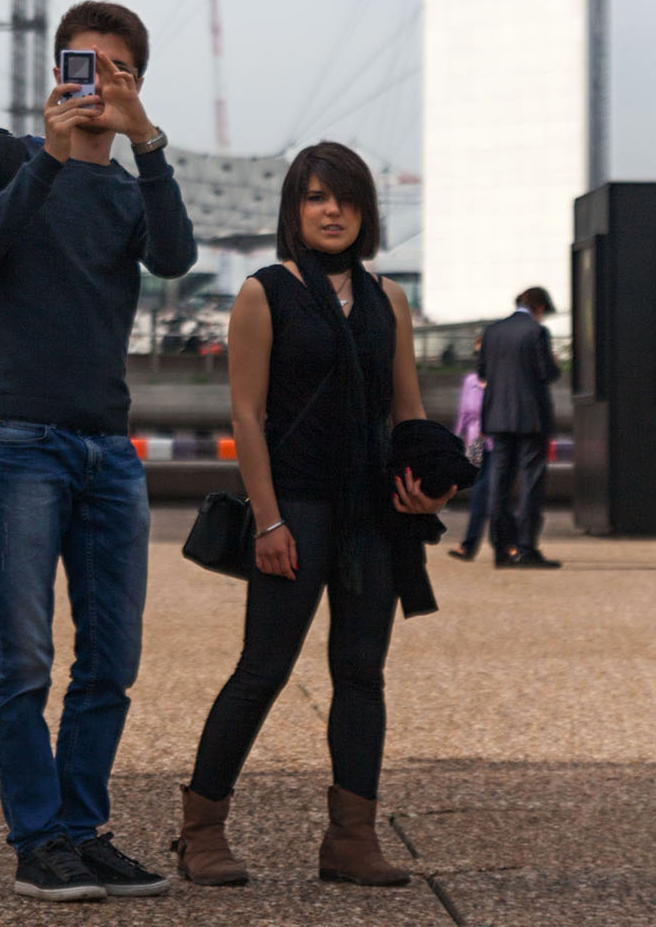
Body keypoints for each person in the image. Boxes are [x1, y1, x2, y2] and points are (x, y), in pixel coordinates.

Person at [0, 0, 196, 903]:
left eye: (114, 71)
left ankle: (81, 831)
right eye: (79, 66)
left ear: (132, 83)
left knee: (112, 661)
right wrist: (50, 159)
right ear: (55, 72)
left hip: (107, 446)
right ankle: (36, 839)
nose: (93, 85)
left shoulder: (131, 190)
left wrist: (149, 144)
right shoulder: (0, 155)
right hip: (16, 438)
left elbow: (175, 258)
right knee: (22, 658)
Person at [175, 142, 454, 890]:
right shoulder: (264, 293)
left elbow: (409, 411)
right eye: (317, 197)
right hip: (293, 505)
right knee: (262, 670)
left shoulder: (388, 300)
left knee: (361, 673)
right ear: (294, 210)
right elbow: (248, 413)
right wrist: (267, 522)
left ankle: (351, 841)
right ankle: (200, 834)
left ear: (364, 213)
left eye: (347, 199)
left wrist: (431, 485)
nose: (332, 211)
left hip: (372, 515)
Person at [479, 286, 561, 569]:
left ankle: (501, 548)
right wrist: (555, 365)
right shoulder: (536, 332)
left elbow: (482, 373)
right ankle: (526, 548)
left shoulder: (492, 331)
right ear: (538, 306)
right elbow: (545, 373)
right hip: (531, 418)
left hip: (498, 417)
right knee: (531, 482)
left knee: (499, 483)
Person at [448, 336, 503, 562]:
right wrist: (454, 443)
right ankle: (489, 543)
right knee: (481, 490)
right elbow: (463, 414)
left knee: (490, 490)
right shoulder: (470, 381)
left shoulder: (502, 380)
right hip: (475, 442)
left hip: (498, 441)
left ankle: (478, 544)